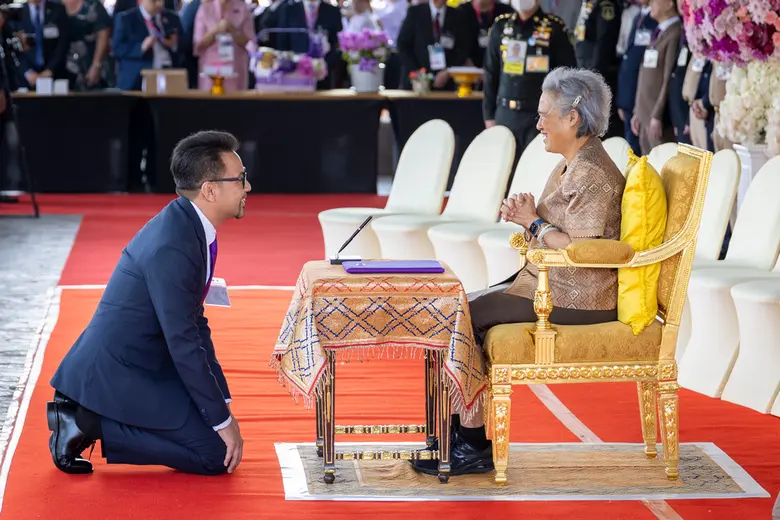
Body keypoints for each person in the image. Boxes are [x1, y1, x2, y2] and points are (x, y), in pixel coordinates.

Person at [412, 67, 625, 476]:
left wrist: (532, 222)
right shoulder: (572, 163)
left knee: (461, 316)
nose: (539, 123)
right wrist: (527, 217)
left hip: (577, 296)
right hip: (550, 284)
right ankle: (452, 432)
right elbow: (557, 231)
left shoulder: (594, 173)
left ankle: (471, 443)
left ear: (573, 118)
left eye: (546, 114)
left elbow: (584, 249)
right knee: (455, 306)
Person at [47, 130, 251, 476]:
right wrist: (221, 420)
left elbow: (195, 323)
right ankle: (86, 421)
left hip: (146, 357)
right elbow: (184, 340)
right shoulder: (174, 244)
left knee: (212, 427)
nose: (248, 187)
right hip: (121, 370)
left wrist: (222, 403)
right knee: (216, 454)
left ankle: (91, 417)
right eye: (241, 178)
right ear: (210, 189)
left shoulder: (187, 224)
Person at [482, 0, 576, 169]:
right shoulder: (501, 26)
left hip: (540, 116)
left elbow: (567, 76)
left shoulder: (554, 28)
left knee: (535, 170)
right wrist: (489, 116)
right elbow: (490, 74)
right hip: (505, 114)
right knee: (503, 170)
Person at [630, 0, 680, 154]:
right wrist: (637, 111)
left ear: (669, 4)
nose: (649, 3)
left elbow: (667, 79)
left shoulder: (675, 33)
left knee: (661, 165)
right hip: (644, 113)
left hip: (656, 117)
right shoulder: (658, 31)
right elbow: (644, 73)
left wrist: (657, 115)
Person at [193, 0, 255, 92]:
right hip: (211, 72)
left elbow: (250, 44)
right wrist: (216, 30)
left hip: (236, 70)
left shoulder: (243, 8)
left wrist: (233, 31)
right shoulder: (204, 8)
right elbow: (197, 46)